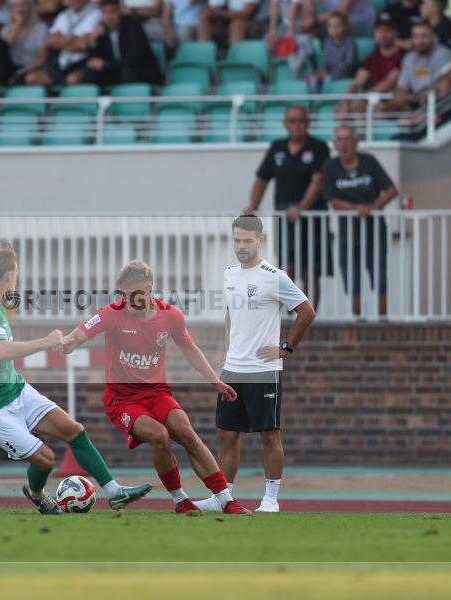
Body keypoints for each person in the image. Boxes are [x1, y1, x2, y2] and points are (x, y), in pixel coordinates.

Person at [0, 242, 153, 515]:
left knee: (73, 430)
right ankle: (38, 494)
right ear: (9, 276)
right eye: (15, 274)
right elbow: (2, 350)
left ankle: (114, 492)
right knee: (45, 460)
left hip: (15, 391)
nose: (17, 280)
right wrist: (47, 341)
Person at [60, 261, 253, 516]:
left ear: (149, 289)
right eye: (123, 295)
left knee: (187, 433)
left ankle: (226, 500)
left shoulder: (170, 316)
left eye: (133, 295)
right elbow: (80, 333)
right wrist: (68, 343)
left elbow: (189, 349)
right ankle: (180, 500)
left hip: (158, 393)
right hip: (123, 401)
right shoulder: (112, 313)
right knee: (160, 436)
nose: (127, 301)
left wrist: (214, 380)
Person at [194, 215, 316, 514]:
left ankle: (270, 499)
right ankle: (224, 497)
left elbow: (306, 312)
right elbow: (229, 314)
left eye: (247, 240)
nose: (241, 246)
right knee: (227, 433)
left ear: (259, 240)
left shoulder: (274, 276)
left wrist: (285, 348)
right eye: (237, 240)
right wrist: (226, 350)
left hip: (263, 369)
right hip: (233, 368)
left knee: (269, 434)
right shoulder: (229, 275)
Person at [244, 105, 331, 307]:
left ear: (307, 123)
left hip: (312, 220)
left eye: (301, 121)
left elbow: (317, 181)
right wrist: (252, 208)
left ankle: (308, 315)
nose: (297, 125)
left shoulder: (318, 147)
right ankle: (288, 315)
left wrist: (301, 208)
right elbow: (261, 180)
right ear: (285, 124)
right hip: (286, 220)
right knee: (287, 268)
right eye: (292, 121)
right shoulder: (277, 147)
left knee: (309, 269)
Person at [322, 126, 398, 316]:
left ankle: (383, 320)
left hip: (375, 233)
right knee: (352, 281)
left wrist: (373, 206)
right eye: (339, 139)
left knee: (380, 279)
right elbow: (333, 201)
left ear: (356, 142)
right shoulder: (330, 167)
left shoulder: (369, 162)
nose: (343, 144)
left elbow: (391, 191)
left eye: (347, 139)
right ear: (335, 144)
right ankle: (358, 320)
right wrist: (356, 209)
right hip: (348, 236)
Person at [377, 21, 451, 114]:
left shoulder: (444, 55)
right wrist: (397, 100)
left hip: (443, 105)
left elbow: (442, 90)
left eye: (424, 36)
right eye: (416, 37)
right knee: (383, 108)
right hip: (417, 103)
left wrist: (414, 97)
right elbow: (402, 88)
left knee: (409, 120)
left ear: (433, 37)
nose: (420, 41)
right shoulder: (409, 58)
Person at [336, 13, 405, 118]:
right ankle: (353, 134)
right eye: (379, 30)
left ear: (395, 33)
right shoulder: (373, 58)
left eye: (387, 30)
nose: (383, 34)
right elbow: (356, 83)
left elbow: (389, 83)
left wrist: (363, 98)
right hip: (374, 99)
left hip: (394, 100)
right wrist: (345, 101)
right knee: (346, 110)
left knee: (377, 108)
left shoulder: (403, 56)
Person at [81, 0, 163, 87]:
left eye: (112, 12)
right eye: (104, 12)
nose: (109, 17)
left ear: (120, 12)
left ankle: (129, 99)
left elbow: (133, 60)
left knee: (128, 71)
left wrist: (105, 64)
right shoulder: (101, 31)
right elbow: (94, 60)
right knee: (91, 71)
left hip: (142, 72)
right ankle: (89, 100)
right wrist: (93, 40)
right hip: (116, 72)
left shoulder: (133, 27)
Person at [33, 0, 102, 86]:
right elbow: (49, 41)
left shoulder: (96, 13)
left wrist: (61, 42)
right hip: (61, 66)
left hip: (83, 64)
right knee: (33, 78)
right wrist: (73, 40)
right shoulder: (64, 15)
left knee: (72, 79)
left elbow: (83, 44)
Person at [0, 0, 48, 86]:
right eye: (15, 6)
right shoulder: (7, 29)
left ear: (30, 7)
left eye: (23, 5)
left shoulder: (40, 27)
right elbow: (2, 51)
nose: (19, 9)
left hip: (31, 68)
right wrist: (16, 25)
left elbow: (41, 59)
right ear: (10, 9)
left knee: (28, 78)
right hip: (11, 68)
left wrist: (22, 71)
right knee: (0, 45)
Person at [306, 11, 357, 93]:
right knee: (311, 78)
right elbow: (325, 63)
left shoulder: (350, 44)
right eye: (330, 25)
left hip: (343, 74)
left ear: (344, 27)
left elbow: (349, 65)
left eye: (337, 25)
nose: (333, 28)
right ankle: (315, 103)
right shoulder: (326, 43)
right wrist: (322, 71)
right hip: (328, 74)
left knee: (326, 80)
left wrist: (329, 73)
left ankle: (323, 99)